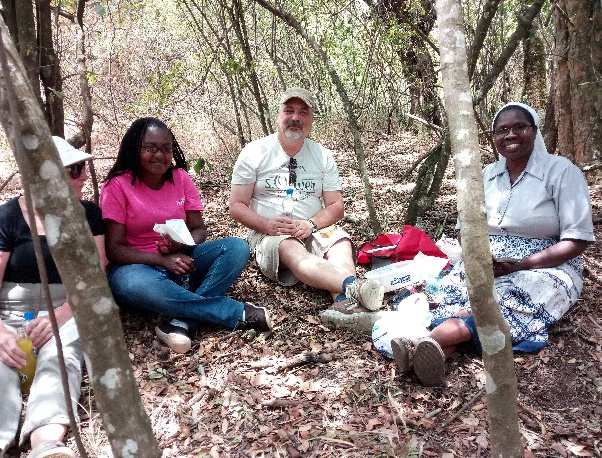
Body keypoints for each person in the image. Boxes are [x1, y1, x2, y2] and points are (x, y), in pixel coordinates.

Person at [390, 102, 595, 386]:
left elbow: (577, 239)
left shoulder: (561, 172)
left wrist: (522, 264)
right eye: (502, 130)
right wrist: (479, 258)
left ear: (534, 131)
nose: (511, 135)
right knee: (454, 293)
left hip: (545, 264)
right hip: (489, 260)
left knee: (512, 299)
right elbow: (467, 228)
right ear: (494, 137)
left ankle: (428, 341)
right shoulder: (485, 175)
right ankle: (438, 351)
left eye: (519, 127)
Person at [101, 118, 270, 355]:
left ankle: (182, 321)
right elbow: (115, 249)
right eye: (150, 148)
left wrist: (180, 245)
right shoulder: (117, 186)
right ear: (134, 148)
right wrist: (161, 260)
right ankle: (234, 312)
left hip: (181, 259)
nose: (159, 155)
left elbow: (199, 229)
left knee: (237, 247)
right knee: (131, 284)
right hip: (137, 268)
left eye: (166, 148)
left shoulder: (180, 178)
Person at [229, 87, 384, 311]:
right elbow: (236, 205)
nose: (295, 118)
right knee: (290, 247)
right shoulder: (254, 152)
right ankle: (355, 287)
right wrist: (267, 225)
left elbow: (336, 206)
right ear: (278, 116)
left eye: (303, 112)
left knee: (340, 241)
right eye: (289, 111)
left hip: (313, 227)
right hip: (270, 234)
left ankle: (344, 304)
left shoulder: (322, 155)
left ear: (311, 120)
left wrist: (311, 224)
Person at [0, 137, 106, 458]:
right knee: (2, 362)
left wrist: (60, 315)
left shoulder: (88, 215)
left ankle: (45, 441)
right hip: (10, 312)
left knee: (64, 353)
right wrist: (1, 332)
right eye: (74, 170)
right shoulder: (8, 217)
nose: (84, 176)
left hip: (68, 309)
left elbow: (96, 276)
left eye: (82, 168)